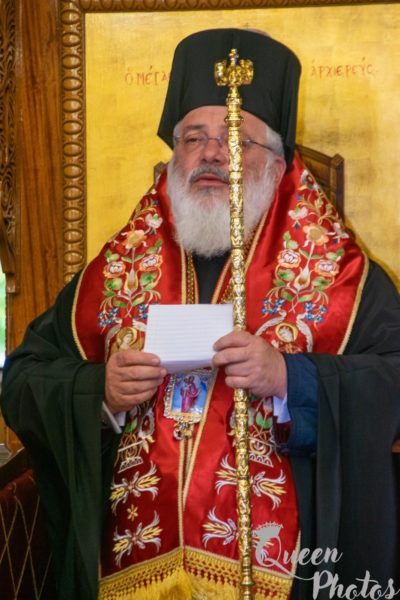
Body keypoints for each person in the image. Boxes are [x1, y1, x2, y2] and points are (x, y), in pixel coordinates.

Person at [1, 28, 400, 600]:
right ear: (174, 155)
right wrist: (99, 392)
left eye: (236, 137)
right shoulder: (117, 268)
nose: (213, 152)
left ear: (278, 164)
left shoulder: (339, 273)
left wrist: (291, 378)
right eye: (194, 137)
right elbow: (23, 379)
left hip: (287, 576)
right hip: (128, 575)